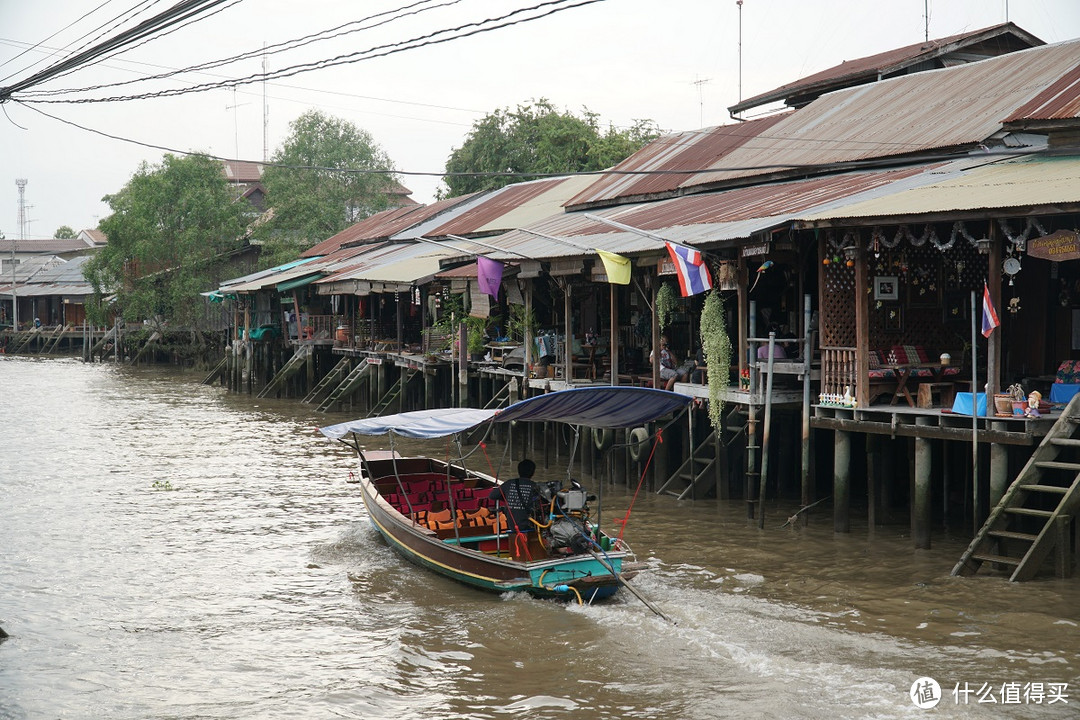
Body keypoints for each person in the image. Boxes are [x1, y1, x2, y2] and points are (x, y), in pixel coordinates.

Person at [487, 459, 540, 534]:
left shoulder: (509, 483)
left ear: (518, 471)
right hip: (529, 526)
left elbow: (492, 495)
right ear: (533, 472)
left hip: (512, 525)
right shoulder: (535, 486)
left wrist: (510, 498)